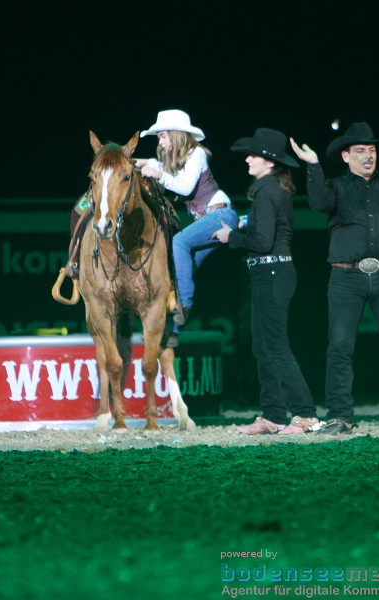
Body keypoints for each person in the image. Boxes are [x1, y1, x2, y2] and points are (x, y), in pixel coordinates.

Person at [289, 119, 379, 434]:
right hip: (346, 279)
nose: (368, 156)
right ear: (346, 156)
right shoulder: (337, 188)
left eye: (371, 150)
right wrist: (313, 166)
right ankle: (340, 416)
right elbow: (317, 203)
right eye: (360, 151)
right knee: (340, 347)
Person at [212, 128, 319, 435]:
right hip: (267, 274)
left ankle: (306, 414)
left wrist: (229, 236)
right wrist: (242, 223)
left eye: (253, 155)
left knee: (276, 346)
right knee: (262, 346)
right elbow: (264, 229)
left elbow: (262, 241)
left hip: (273, 273)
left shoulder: (268, 191)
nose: (247, 159)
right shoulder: (270, 190)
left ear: (269, 162)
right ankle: (273, 415)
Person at [134, 109, 238, 345]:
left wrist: (158, 174)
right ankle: (173, 331)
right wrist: (134, 162)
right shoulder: (177, 161)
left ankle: (185, 305)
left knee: (179, 242)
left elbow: (184, 187)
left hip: (221, 215)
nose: (159, 141)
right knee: (181, 272)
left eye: (162, 136)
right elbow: (154, 163)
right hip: (207, 220)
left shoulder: (197, 154)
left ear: (176, 135)